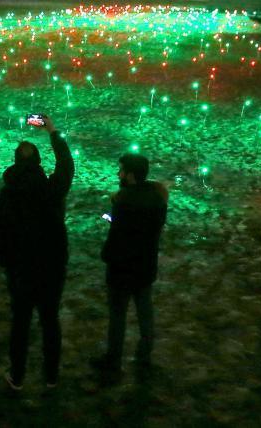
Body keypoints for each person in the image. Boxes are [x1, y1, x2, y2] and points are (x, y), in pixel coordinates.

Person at [0, 115, 74, 390]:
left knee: (21, 322)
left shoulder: (7, 194)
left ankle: (17, 376)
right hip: (51, 268)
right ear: (38, 162)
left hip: (20, 270)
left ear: (15, 162)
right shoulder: (51, 189)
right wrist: (53, 131)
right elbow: (66, 165)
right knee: (50, 320)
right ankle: (50, 376)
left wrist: (5, 261)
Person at [92, 153, 168, 377]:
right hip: (145, 266)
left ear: (131, 175)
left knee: (118, 317)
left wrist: (107, 254)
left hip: (122, 269)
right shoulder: (157, 200)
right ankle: (144, 357)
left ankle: (113, 361)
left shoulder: (123, 202)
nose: (118, 174)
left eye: (122, 170)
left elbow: (117, 235)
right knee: (145, 313)